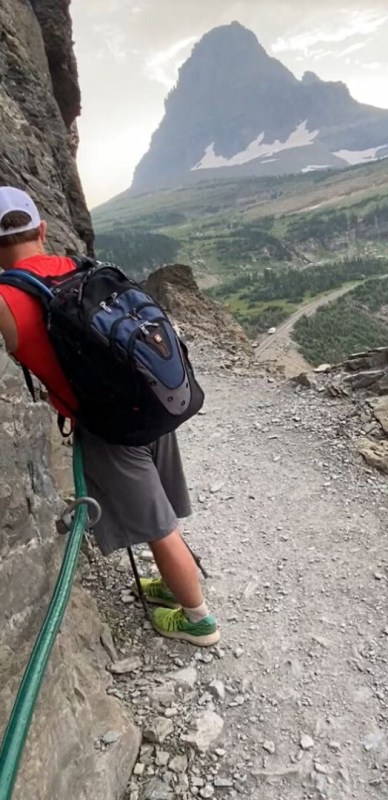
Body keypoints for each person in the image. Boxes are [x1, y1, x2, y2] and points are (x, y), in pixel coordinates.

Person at [0, 187, 218, 647]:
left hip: (109, 425)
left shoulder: (5, 300)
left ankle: (197, 618)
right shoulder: (78, 267)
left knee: (158, 528)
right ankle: (175, 581)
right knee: (160, 503)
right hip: (150, 395)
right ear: (40, 230)